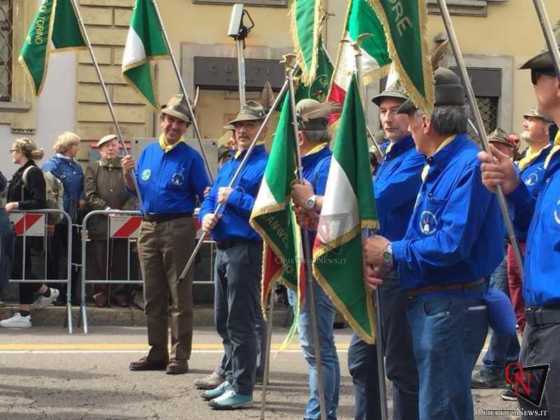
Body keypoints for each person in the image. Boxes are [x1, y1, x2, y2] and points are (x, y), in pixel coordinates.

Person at [363, 68, 504, 420]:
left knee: (440, 410)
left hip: (450, 305)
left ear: (425, 121)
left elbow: (451, 243)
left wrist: (392, 252)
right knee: (437, 404)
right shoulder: (439, 164)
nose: (406, 126)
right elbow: (423, 233)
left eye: (408, 117)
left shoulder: (467, 165)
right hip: (434, 303)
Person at [479, 41, 560, 420]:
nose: (535, 86)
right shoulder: (553, 162)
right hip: (538, 325)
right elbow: (534, 229)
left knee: (542, 414)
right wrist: (514, 187)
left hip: (556, 324)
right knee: (532, 411)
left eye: (538, 78)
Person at [347, 86, 424, 420]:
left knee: (400, 369)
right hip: (374, 271)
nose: (389, 118)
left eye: (397, 110)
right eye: (383, 111)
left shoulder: (417, 156)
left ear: (414, 117)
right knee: (362, 363)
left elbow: (376, 201)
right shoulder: (390, 156)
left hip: (398, 273)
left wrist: (316, 202)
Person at [123, 94, 210, 375]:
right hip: (148, 227)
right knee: (152, 295)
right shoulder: (148, 152)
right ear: (162, 120)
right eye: (170, 119)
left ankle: (179, 355)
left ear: (186, 128)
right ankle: (157, 352)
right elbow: (134, 190)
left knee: (179, 295)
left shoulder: (191, 158)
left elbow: (204, 193)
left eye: (180, 123)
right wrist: (127, 174)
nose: (174, 126)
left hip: (178, 227)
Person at [198, 101, 267, 410]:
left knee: (241, 321)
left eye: (249, 126)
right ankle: (230, 375)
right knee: (223, 320)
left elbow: (269, 208)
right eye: (238, 126)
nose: (242, 131)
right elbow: (211, 196)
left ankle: (243, 386)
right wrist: (206, 216)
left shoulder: (266, 165)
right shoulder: (229, 164)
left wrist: (235, 197)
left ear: (261, 130)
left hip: (246, 249)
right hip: (223, 247)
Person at [288, 99, 339, 420]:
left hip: (319, 267)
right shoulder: (305, 166)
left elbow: (343, 222)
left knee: (319, 350)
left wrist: (313, 211)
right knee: (312, 348)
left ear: (301, 135)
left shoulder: (327, 166)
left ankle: (320, 414)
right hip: (301, 263)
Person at [472, 129, 521, 390]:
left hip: (506, 247)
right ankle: (510, 360)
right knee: (501, 309)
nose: (493, 152)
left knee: (500, 304)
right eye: (490, 147)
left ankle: (493, 367)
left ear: (510, 150)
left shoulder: (513, 174)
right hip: (492, 248)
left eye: (499, 147)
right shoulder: (481, 172)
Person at [0, 138, 59, 328]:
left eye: (13, 150)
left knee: (20, 268)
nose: (11, 153)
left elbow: (39, 201)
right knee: (20, 268)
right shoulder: (22, 172)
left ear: (21, 152)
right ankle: (36, 302)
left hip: (27, 228)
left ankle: (28, 311)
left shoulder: (32, 172)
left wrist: (16, 204)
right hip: (19, 227)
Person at [507, 109, 553, 335]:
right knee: (514, 303)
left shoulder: (548, 163)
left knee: (531, 305)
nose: (525, 122)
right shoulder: (522, 161)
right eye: (525, 117)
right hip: (511, 242)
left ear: (546, 127)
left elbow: (535, 207)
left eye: (532, 118)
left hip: (529, 243)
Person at [84, 134, 138, 307]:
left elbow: (134, 191)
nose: (110, 149)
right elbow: (90, 194)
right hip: (100, 220)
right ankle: (100, 293)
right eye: (106, 146)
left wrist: (125, 212)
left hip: (122, 221)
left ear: (119, 148)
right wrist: (105, 209)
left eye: (113, 145)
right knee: (100, 259)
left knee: (121, 259)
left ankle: (119, 293)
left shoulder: (126, 168)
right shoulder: (93, 167)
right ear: (100, 150)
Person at [42, 131, 85, 305]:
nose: (77, 149)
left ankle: (71, 294)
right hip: (57, 219)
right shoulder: (52, 165)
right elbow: (49, 193)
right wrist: (51, 219)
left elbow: (81, 187)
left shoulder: (76, 166)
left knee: (75, 258)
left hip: (73, 220)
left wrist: (82, 198)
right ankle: (54, 294)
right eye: (75, 145)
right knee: (54, 257)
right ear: (68, 147)